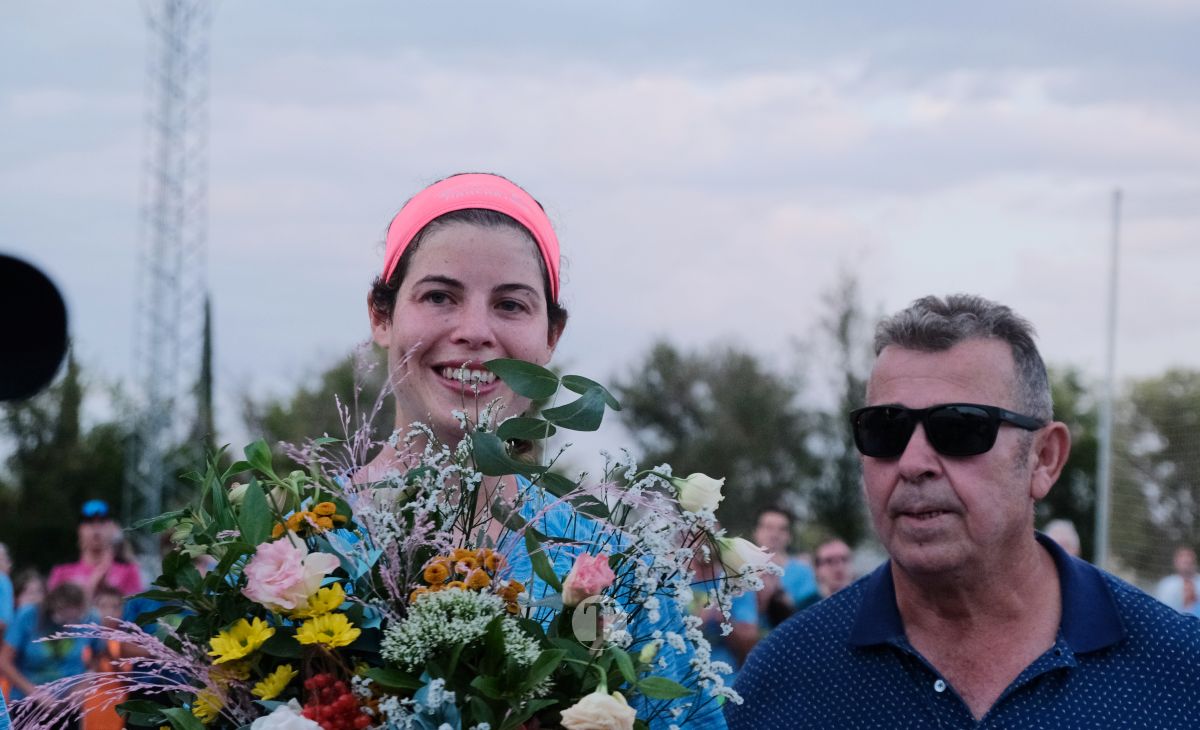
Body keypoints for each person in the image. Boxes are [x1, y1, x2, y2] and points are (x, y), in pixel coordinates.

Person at [728, 294, 1200, 728]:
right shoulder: (783, 679)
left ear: (1045, 459)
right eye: (885, 429)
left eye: (958, 428)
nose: (913, 463)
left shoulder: (1178, 671)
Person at [360, 172, 725, 728]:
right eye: (439, 296)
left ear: (550, 337)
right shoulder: (288, 551)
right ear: (381, 316)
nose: (475, 330)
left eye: (510, 305)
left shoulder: (611, 569)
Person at [0, 582, 103, 727]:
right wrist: (35, 693)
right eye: (66, 616)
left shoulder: (91, 617)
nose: (71, 622)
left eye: (76, 617)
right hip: (27, 703)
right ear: (55, 607)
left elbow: (98, 657)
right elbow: (4, 661)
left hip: (68, 704)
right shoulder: (28, 616)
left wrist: (84, 684)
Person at [727, 506, 817, 664]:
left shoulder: (803, 573)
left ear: (789, 536)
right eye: (768, 527)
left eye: (782, 529)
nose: (775, 534)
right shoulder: (737, 572)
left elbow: (811, 620)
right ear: (756, 531)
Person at [47, 500, 143, 601]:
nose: (96, 528)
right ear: (79, 529)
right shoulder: (63, 569)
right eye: (89, 522)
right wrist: (94, 582)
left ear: (113, 528)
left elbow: (136, 609)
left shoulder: (128, 570)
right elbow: (53, 610)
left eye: (102, 522)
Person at [1154, 545, 1200, 614]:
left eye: (1189, 558)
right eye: (1183, 559)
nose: (1187, 560)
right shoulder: (1166, 584)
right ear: (1175, 562)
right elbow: (1160, 608)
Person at [811, 536, 854, 601]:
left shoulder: (867, 600)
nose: (839, 568)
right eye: (829, 561)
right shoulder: (806, 608)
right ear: (816, 569)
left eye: (844, 559)